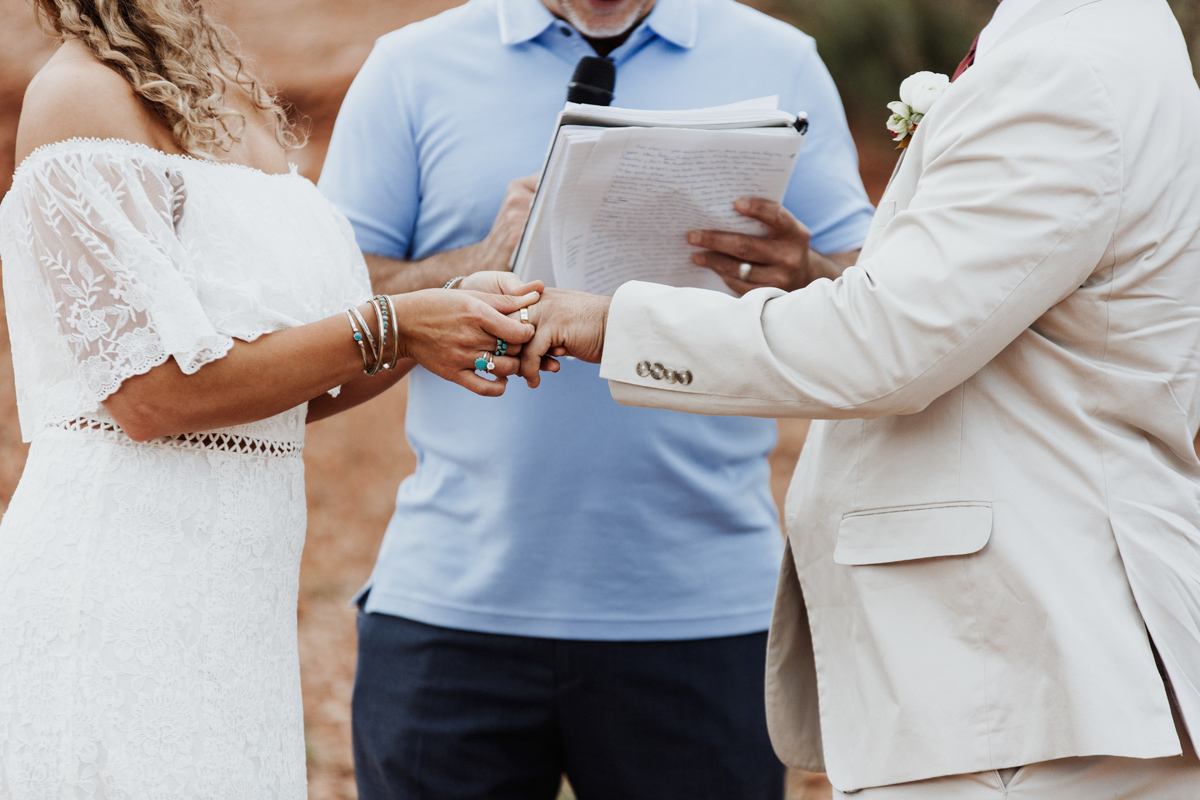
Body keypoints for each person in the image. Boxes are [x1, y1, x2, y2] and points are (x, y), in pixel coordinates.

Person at [513, 0, 1200, 797]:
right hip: (1029, 668)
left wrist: (608, 321)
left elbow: (889, 347)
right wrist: (822, 283)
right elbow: (992, 318)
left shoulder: (1064, 71)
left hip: (1016, 668)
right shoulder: (1111, 40)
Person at [318, 0, 874, 796]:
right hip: (449, 612)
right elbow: (339, 313)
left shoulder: (779, 58)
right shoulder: (410, 66)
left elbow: (875, 302)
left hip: (705, 614)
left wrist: (803, 271)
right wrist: (478, 258)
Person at [0, 1, 541, 796]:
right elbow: (150, 396)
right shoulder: (78, 96)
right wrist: (395, 322)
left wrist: (448, 313)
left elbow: (287, 385)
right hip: (120, 578)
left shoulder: (220, 85)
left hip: (235, 597)